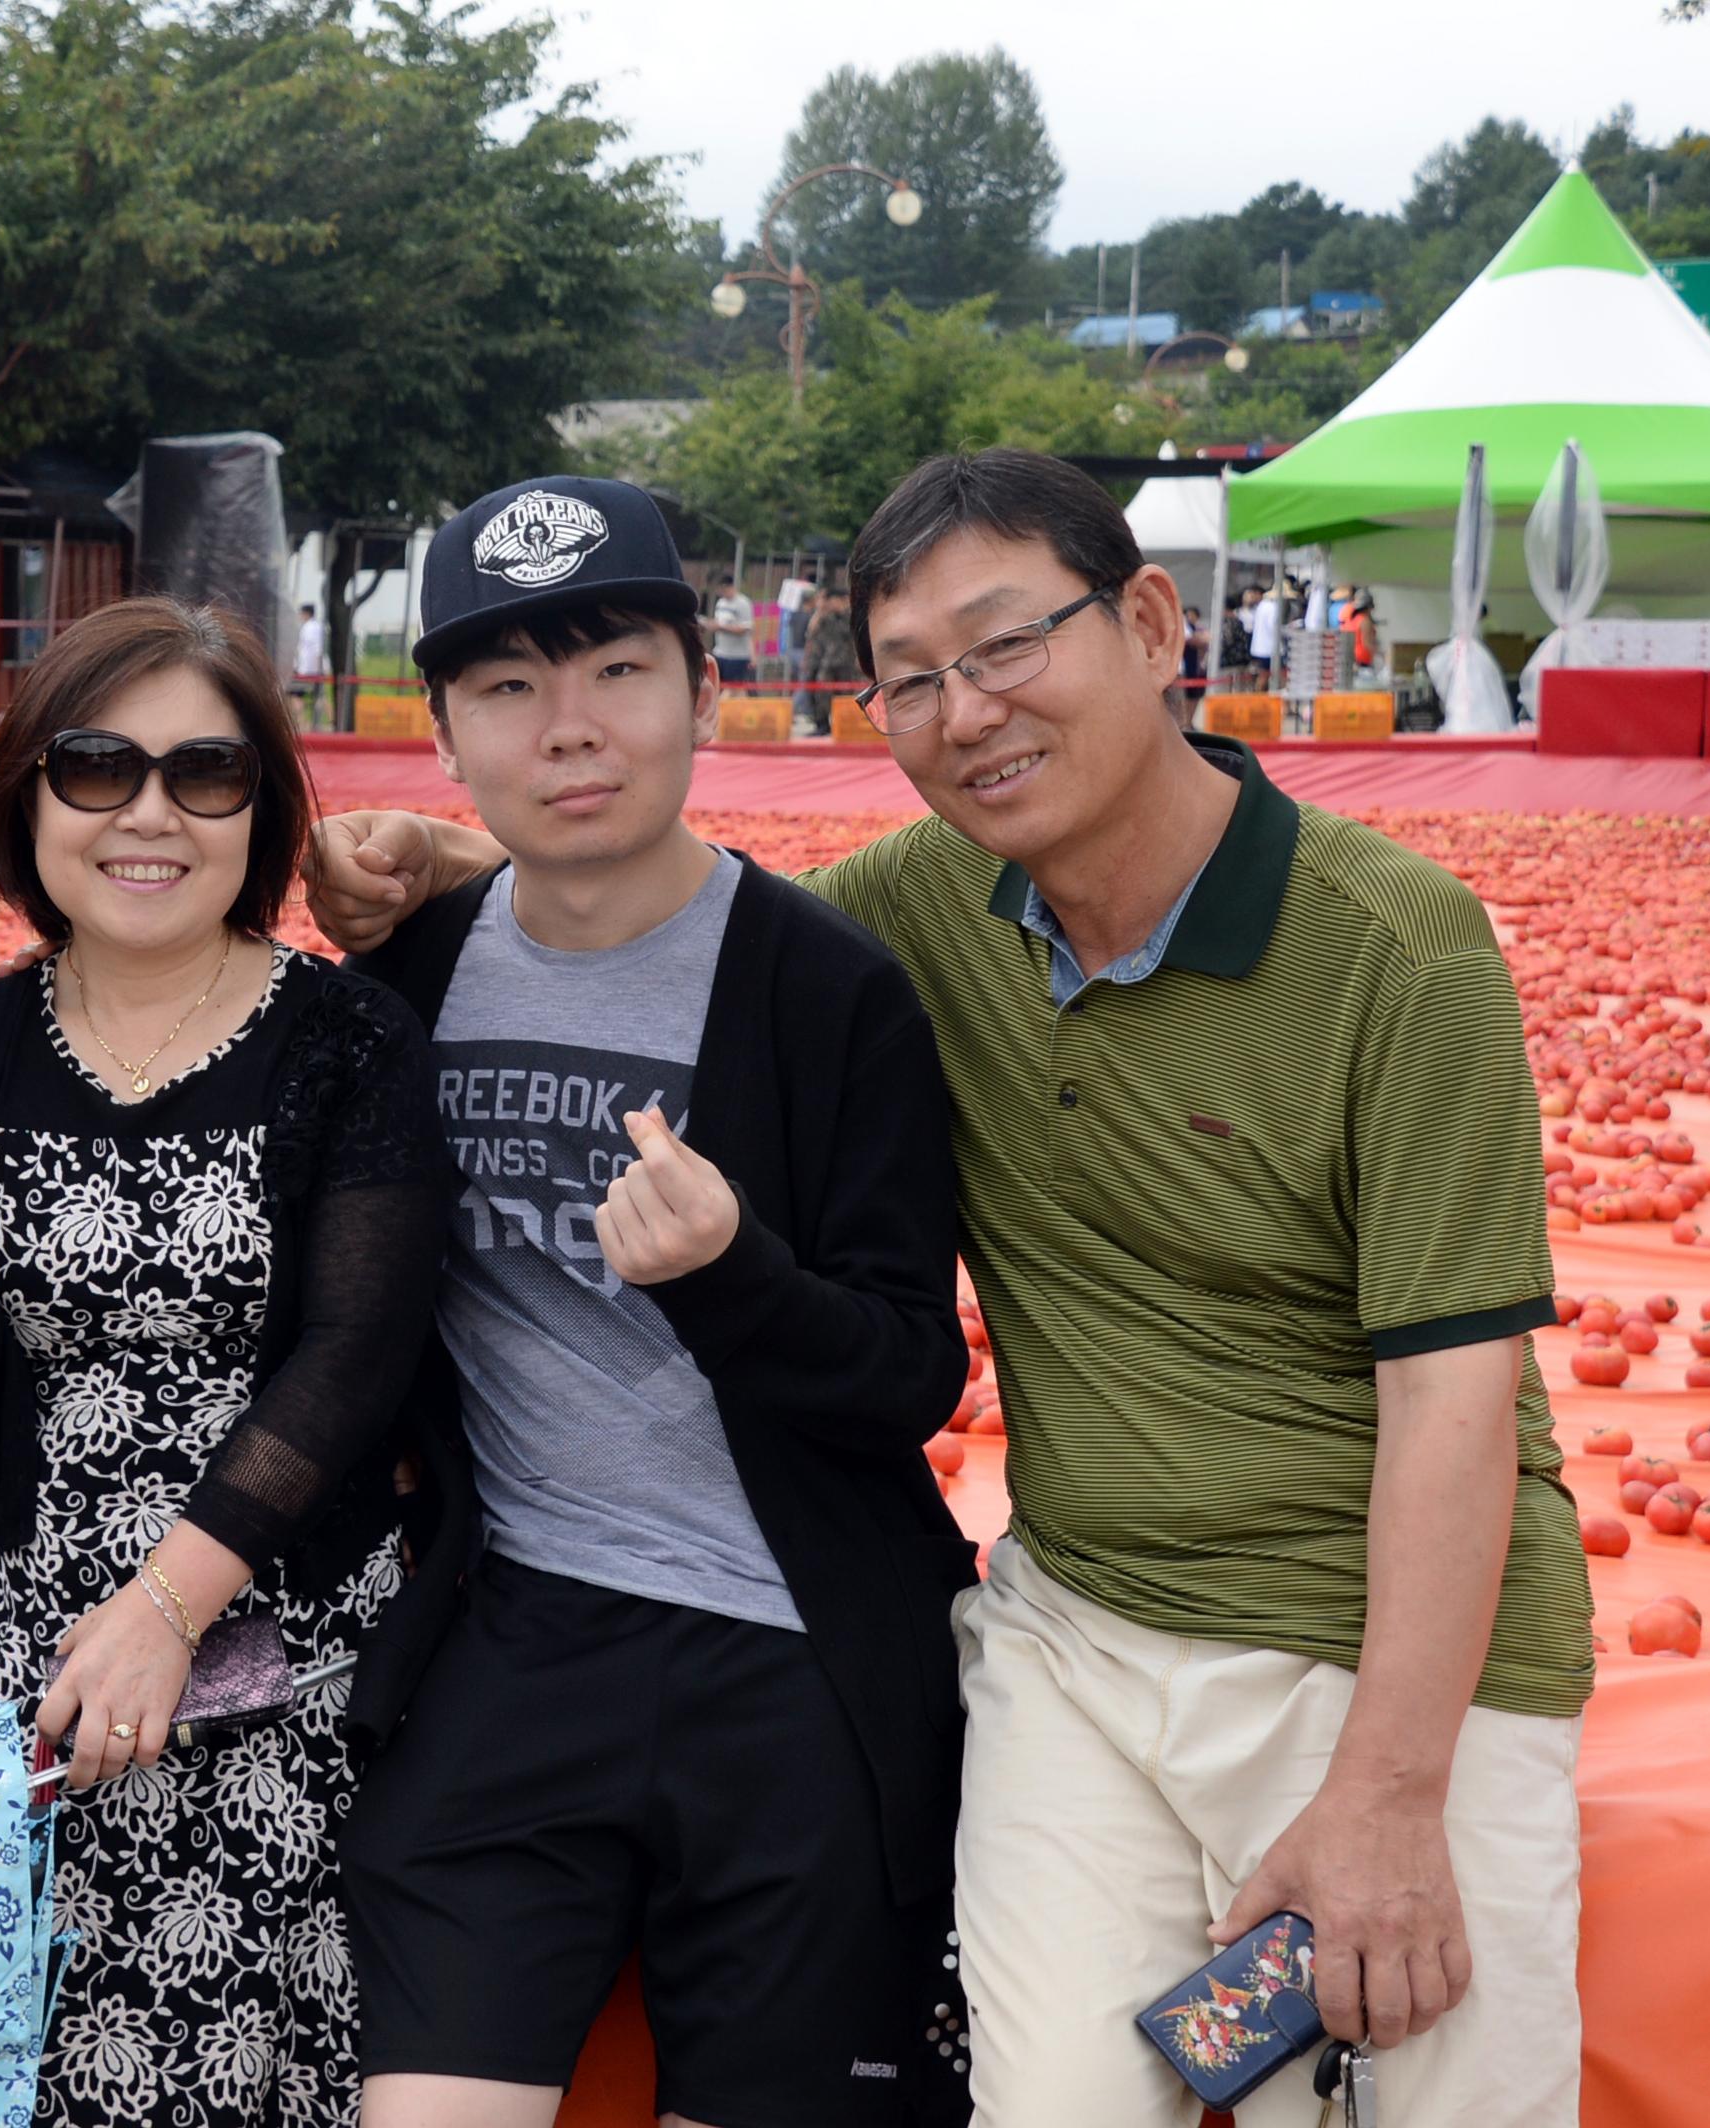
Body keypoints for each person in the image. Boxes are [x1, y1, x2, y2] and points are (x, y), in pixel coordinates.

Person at [306, 447, 1591, 2128]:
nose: (966, 710)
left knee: (1437, 2094)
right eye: (911, 679)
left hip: (1380, 1639)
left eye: (1005, 647)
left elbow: (1453, 1393)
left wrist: (1388, 1794)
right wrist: (467, 870)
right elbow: (666, 920)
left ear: (1149, 622)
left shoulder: (1397, 947)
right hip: (1079, 1625)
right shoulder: (925, 904)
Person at [308, 478, 969, 2128]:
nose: (571, 727)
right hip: (518, 1636)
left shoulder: (830, 989)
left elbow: (908, 1373)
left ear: (705, 689)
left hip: (794, 1663)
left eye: (614, 667)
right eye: (509, 689)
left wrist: (733, 1275)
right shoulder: (409, 977)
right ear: (444, 740)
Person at [0, 596, 450, 2127]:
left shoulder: (346, 1039)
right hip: (38, 1673)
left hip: (287, 1658)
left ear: (264, 808)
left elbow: (355, 1354)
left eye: (206, 775)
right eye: (99, 766)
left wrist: (165, 1611)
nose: (149, 815)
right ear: (28, 799)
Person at [798, 583, 858, 737]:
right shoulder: (827, 617)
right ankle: (822, 725)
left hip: (848, 663)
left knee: (845, 696)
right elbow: (811, 631)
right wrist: (820, 610)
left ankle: (846, 727)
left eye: (832, 600)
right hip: (828, 662)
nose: (830, 603)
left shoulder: (853, 616)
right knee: (822, 694)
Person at [706, 581, 754, 684]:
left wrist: (723, 627)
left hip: (736, 656)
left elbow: (745, 628)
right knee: (722, 686)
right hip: (720, 652)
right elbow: (718, 622)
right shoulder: (721, 602)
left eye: (725, 589)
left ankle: (719, 701)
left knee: (732, 688)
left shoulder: (743, 603)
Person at [293, 599, 329, 724]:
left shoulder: (309, 628)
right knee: (319, 695)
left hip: (308, 669)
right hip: (313, 668)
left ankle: (301, 722)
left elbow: (315, 649)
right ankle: (332, 719)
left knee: (296, 695)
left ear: (306, 613)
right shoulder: (315, 627)